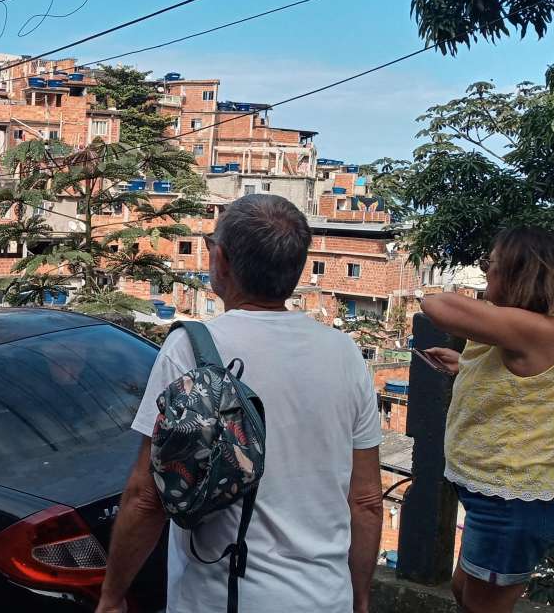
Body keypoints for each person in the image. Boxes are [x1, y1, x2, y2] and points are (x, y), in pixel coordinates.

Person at [96, 194, 384, 613]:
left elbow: (146, 497)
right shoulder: (345, 353)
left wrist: (112, 595)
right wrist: (358, 598)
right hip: (324, 596)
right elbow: (367, 502)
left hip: (222, 598)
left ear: (223, 261)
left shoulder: (189, 349)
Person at [421, 227, 554, 613]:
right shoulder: (536, 331)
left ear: (517, 273)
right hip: (498, 498)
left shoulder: (536, 328)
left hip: (510, 501)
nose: (486, 273)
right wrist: (466, 366)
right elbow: (527, 389)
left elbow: (437, 305)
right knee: (464, 592)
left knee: (481, 607)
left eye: (490, 264)